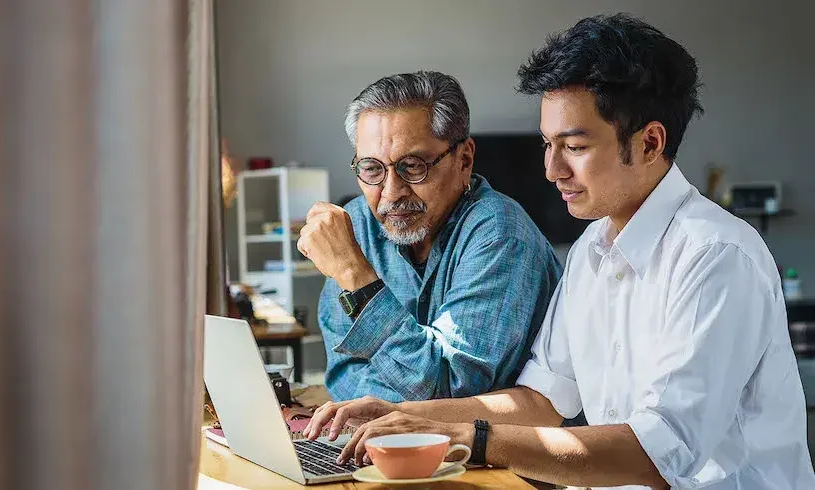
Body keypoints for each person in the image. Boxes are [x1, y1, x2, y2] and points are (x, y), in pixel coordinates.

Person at [302, 14, 815, 489]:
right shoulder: (593, 247)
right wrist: (408, 418)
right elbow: (540, 401)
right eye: (548, 145)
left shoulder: (716, 256)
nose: (552, 171)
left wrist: (476, 439)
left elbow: (662, 452)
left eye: (574, 147)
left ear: (651, 143)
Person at [296, 71, 562, 402]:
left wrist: (356, 276)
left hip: (498, 451)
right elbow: (344, 370)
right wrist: (389, 411)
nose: (392, 193)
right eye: (372, 168)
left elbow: (448, 388)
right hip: (390, 444)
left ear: (464, 159)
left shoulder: (502, 234)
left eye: (413, 166)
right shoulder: (358, 224)